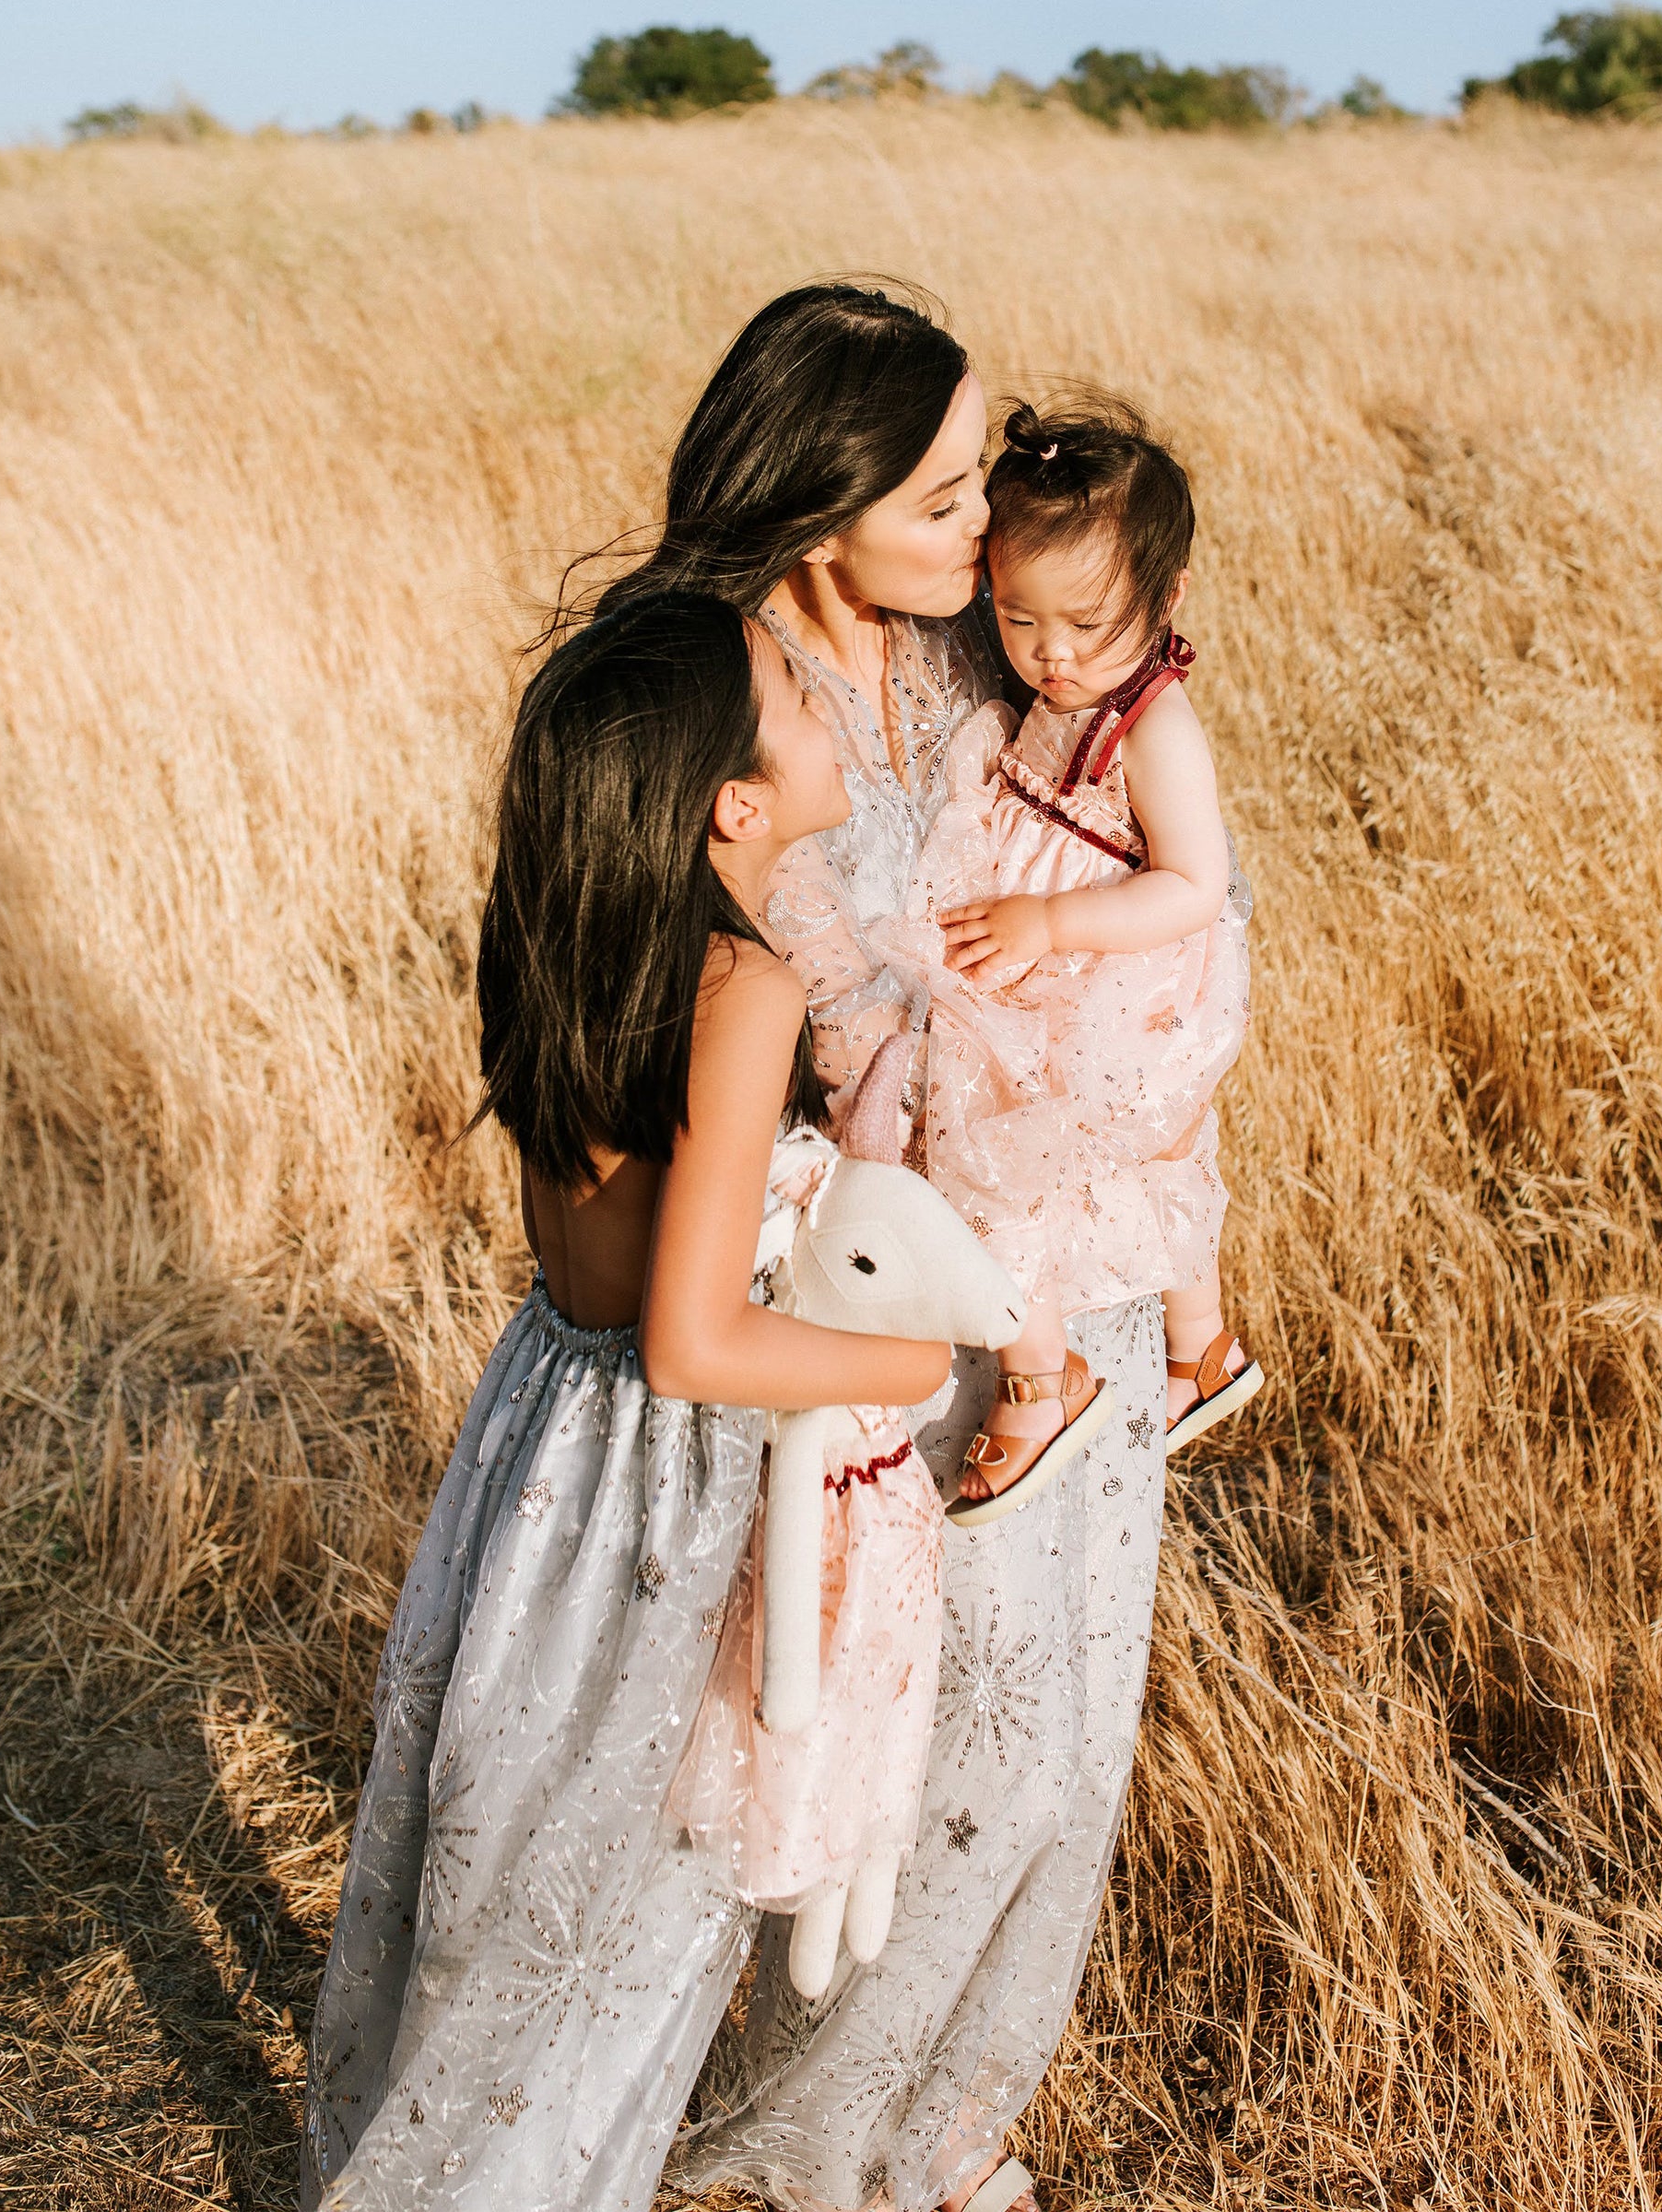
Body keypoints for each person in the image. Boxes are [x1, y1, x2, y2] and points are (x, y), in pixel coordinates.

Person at [592, 282, 1189, 2212]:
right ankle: (791, 2159)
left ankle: (944, 2139)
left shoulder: (972, 657)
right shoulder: (721, 693)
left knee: (1068, 1742)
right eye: (943, 493)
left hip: (1074, 1218)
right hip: (887, 1277)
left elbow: (1152, 867)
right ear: (822, 502)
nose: (983, 523)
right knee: (920, 1761)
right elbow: (672, 1010)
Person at [298, 592, 957, 2212]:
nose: (818, 702)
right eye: (786, 701)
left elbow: (611, 1300)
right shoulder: (743, 983)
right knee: (616, 1903)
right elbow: (692, 1339)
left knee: (498, 1841)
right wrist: (910, 1369)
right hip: (659, 1480)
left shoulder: (571, 916)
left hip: (536, 1429)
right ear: (736, 804)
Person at [882, 397, 1265, 1526]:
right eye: (1018, 619)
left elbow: (1195, 883)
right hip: (1049, 945)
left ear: (1169, 596)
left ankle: (1045, 1376)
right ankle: (1199, 1347)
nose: (1052, 656)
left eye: (1087, 628)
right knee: (1032, 1138)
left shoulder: (1155, 727)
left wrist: (1051, 930)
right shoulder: (1058, 686)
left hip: (1116, 964)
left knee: (997, 1142)